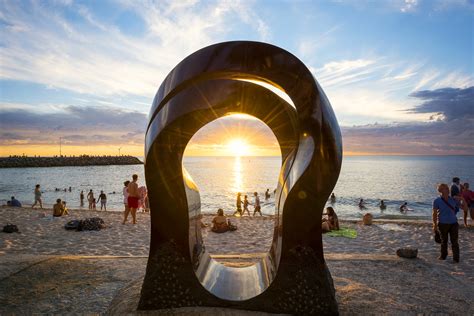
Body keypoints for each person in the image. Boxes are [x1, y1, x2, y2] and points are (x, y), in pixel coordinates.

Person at [432, 183, 468, 263]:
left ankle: (456, 259)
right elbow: (434, 214)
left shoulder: (454, 199)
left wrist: (463, 199)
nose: (448, 189)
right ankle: (443, 256)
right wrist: (434, 225)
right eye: (445, 188)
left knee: (454, 242)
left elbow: (465, 209)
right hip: (442, 224)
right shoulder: (437, 201)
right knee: (444, 241)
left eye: (447, 188)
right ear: (440, 191)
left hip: (454, 223)